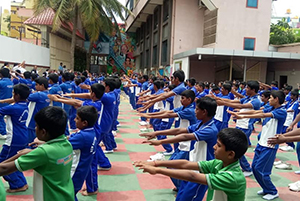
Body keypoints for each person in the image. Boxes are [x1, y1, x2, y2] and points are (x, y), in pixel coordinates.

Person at [135, 128, 248, 201]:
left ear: (230, 154)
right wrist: (155, 163)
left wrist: (158, 170)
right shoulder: (218, 163)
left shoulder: (233, 177)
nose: (214, 147)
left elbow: (192, 176)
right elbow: (186, 164)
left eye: (218, 146)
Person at [0, 106, 74, 200]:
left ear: (43, 132)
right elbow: (51, 156)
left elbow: (4, 168)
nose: (35, 128)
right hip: (66, 194)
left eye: (36, 126)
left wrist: (19, 155)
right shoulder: (66, 144)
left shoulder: (43, 152)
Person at [229, 90, 287, 200]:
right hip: (261, 143)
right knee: (255, 168)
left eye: (270, 98)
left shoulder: (281, 111)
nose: (268, 100)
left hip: (270, 145)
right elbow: (256, 112)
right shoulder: (271, 108)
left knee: (262, 170)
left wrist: (241, 115)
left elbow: (262, 114)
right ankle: (266, 189)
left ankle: (272, 191)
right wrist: (241, 114)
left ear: (276, 99)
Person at [215, 80, 261, 177]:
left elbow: (240, 105)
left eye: (247, 88)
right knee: (236, 147)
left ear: (253, 90)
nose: (245, 89)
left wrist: (223, 103)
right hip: (240, 125)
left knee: (237, 148)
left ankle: (247, 168)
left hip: (246, 126)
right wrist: (218, 99)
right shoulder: (248, 97)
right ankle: (245, 167)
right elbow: (234, 101)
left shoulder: (256, 101)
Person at [0, 84, 30, 192]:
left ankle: (17, 184)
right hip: (22, 137)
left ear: (16, 95)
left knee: (4, 162)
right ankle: (22, 182)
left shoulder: (13, 108)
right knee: (15, 161)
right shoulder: (24, 104)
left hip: (13, 139)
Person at [26, 77, 50, 143]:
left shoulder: (38, 94)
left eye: (36, 85)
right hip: (41, 120)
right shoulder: (48, 94)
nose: (35, 86)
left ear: (42, 85)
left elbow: (23, 96)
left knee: (28, 142)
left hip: (31, 122)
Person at [0, 68, 13, 139]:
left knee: (0, 118)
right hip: (8, 102)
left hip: (1, 102)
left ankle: (3, 132)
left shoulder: (1, 83)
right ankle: (5, 131)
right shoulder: (10, 82)